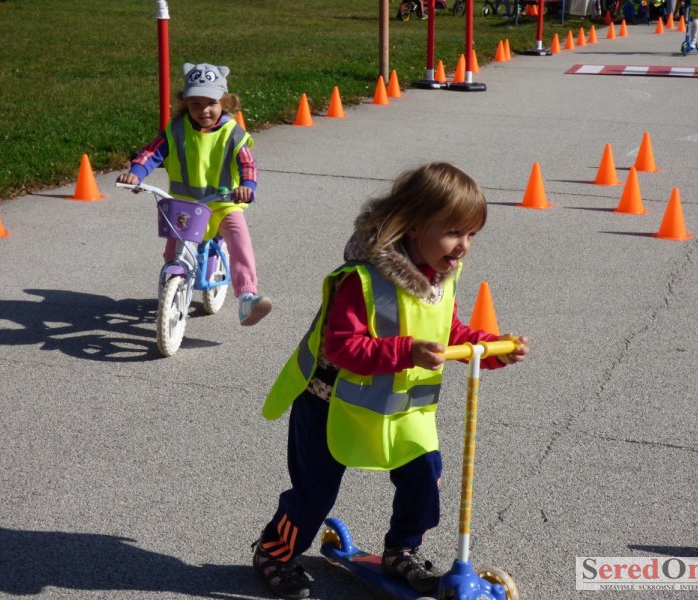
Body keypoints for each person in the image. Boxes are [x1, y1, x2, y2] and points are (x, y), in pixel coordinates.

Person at [251, 162, 529, 600]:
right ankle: (273, 551)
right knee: (314, 494)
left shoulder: (441, 279)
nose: (464, 246)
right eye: (454, 232)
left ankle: (403, 549)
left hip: (402, 410)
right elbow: (343, 346)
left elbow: (449, 332)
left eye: (472, 234)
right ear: (415, 226)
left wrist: (491, 349)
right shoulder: (362, 279)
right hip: (331, 405)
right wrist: (406, 351)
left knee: (424, 477)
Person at [117, 62, 271, 326]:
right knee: (172, 253)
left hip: (224, 203)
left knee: (239, 239)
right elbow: (151, 153)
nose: (204, 110)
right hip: (184, 206)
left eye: (211, 103)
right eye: (195, 104)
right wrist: (136, 174)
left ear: (225, 102)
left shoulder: (233, 133)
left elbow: (247, 164)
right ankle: (174, 284)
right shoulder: (176, 129)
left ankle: (247, 297)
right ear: (185, 103)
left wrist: (247, 186)